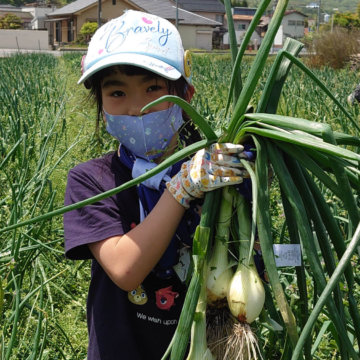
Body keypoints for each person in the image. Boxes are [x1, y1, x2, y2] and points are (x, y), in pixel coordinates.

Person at [63, 10, 252, 360]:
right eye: (117, 93)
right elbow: (125, 269)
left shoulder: (210, 171)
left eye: (153, 89)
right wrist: (181, 190)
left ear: (187, 96)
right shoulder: (92, 181)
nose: (137, 108)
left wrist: (250, 182)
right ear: (101, 106)